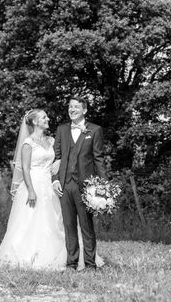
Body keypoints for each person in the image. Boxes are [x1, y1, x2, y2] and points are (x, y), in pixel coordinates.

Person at [0, 109, 66, 270]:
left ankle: (53, 255)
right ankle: (25, 257)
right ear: (35, 122)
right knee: (30, 221)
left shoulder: (52, 141)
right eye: (44, 117)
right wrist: (31, 191)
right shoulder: (28, 143)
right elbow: (25, 169)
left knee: (52, 220)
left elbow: (59, 158)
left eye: (47, 116)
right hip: (33, 184)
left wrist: (59, 163)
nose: (48, 119)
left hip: (49, 185)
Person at [52, 96, 108, 271]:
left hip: (85, 186)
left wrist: (103, 186)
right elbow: (57, 158)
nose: (72, 109)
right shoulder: (61, 130)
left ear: (84, 110)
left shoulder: (95, 130)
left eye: (76, 107)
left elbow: (98, 159)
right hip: (64, 184)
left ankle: (90, 265)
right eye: (70, 106)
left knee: (86, 225)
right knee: (69, 226)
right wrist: (54, 180)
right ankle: (71, 264)